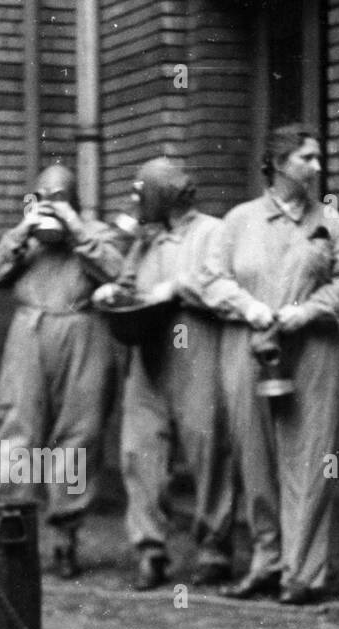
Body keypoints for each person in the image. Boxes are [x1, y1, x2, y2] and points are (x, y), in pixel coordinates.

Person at [199, 125, 339, 604]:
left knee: (309, 457)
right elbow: (212, 279)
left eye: (317, 158)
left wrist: (306, 310)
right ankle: (266, 561)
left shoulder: (329, 221)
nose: (316, 166)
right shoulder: (238, 220)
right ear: (277, 163)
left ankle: (303, 573)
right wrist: (248, 307)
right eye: (306, 158)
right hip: (246, 343)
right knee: (254, 455)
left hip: (309, 347)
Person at [94, 157, 235, 590]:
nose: (137, 202)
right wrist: (118, 290)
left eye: (143, 192)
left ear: (167, 195)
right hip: (148, 349)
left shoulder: (213, 231)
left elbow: (221, 282)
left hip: (194, 343)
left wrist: (176, 287)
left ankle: (215, 548)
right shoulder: (146, 240)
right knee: (140, 451)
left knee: (206, 445)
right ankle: (150, 549)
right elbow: (128, 279)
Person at [0, 164, 126, 579]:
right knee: (16, 428)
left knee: (78, 435)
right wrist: (22, 232)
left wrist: (76, 228)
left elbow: (117, 271)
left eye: (60, 196)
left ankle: (66, 536)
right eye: (44, 196)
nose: (51, 204)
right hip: (29, 331)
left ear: (76, 199)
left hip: (83, 330)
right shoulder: (26, 239)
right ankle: (8, 531)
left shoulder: (96, 232)